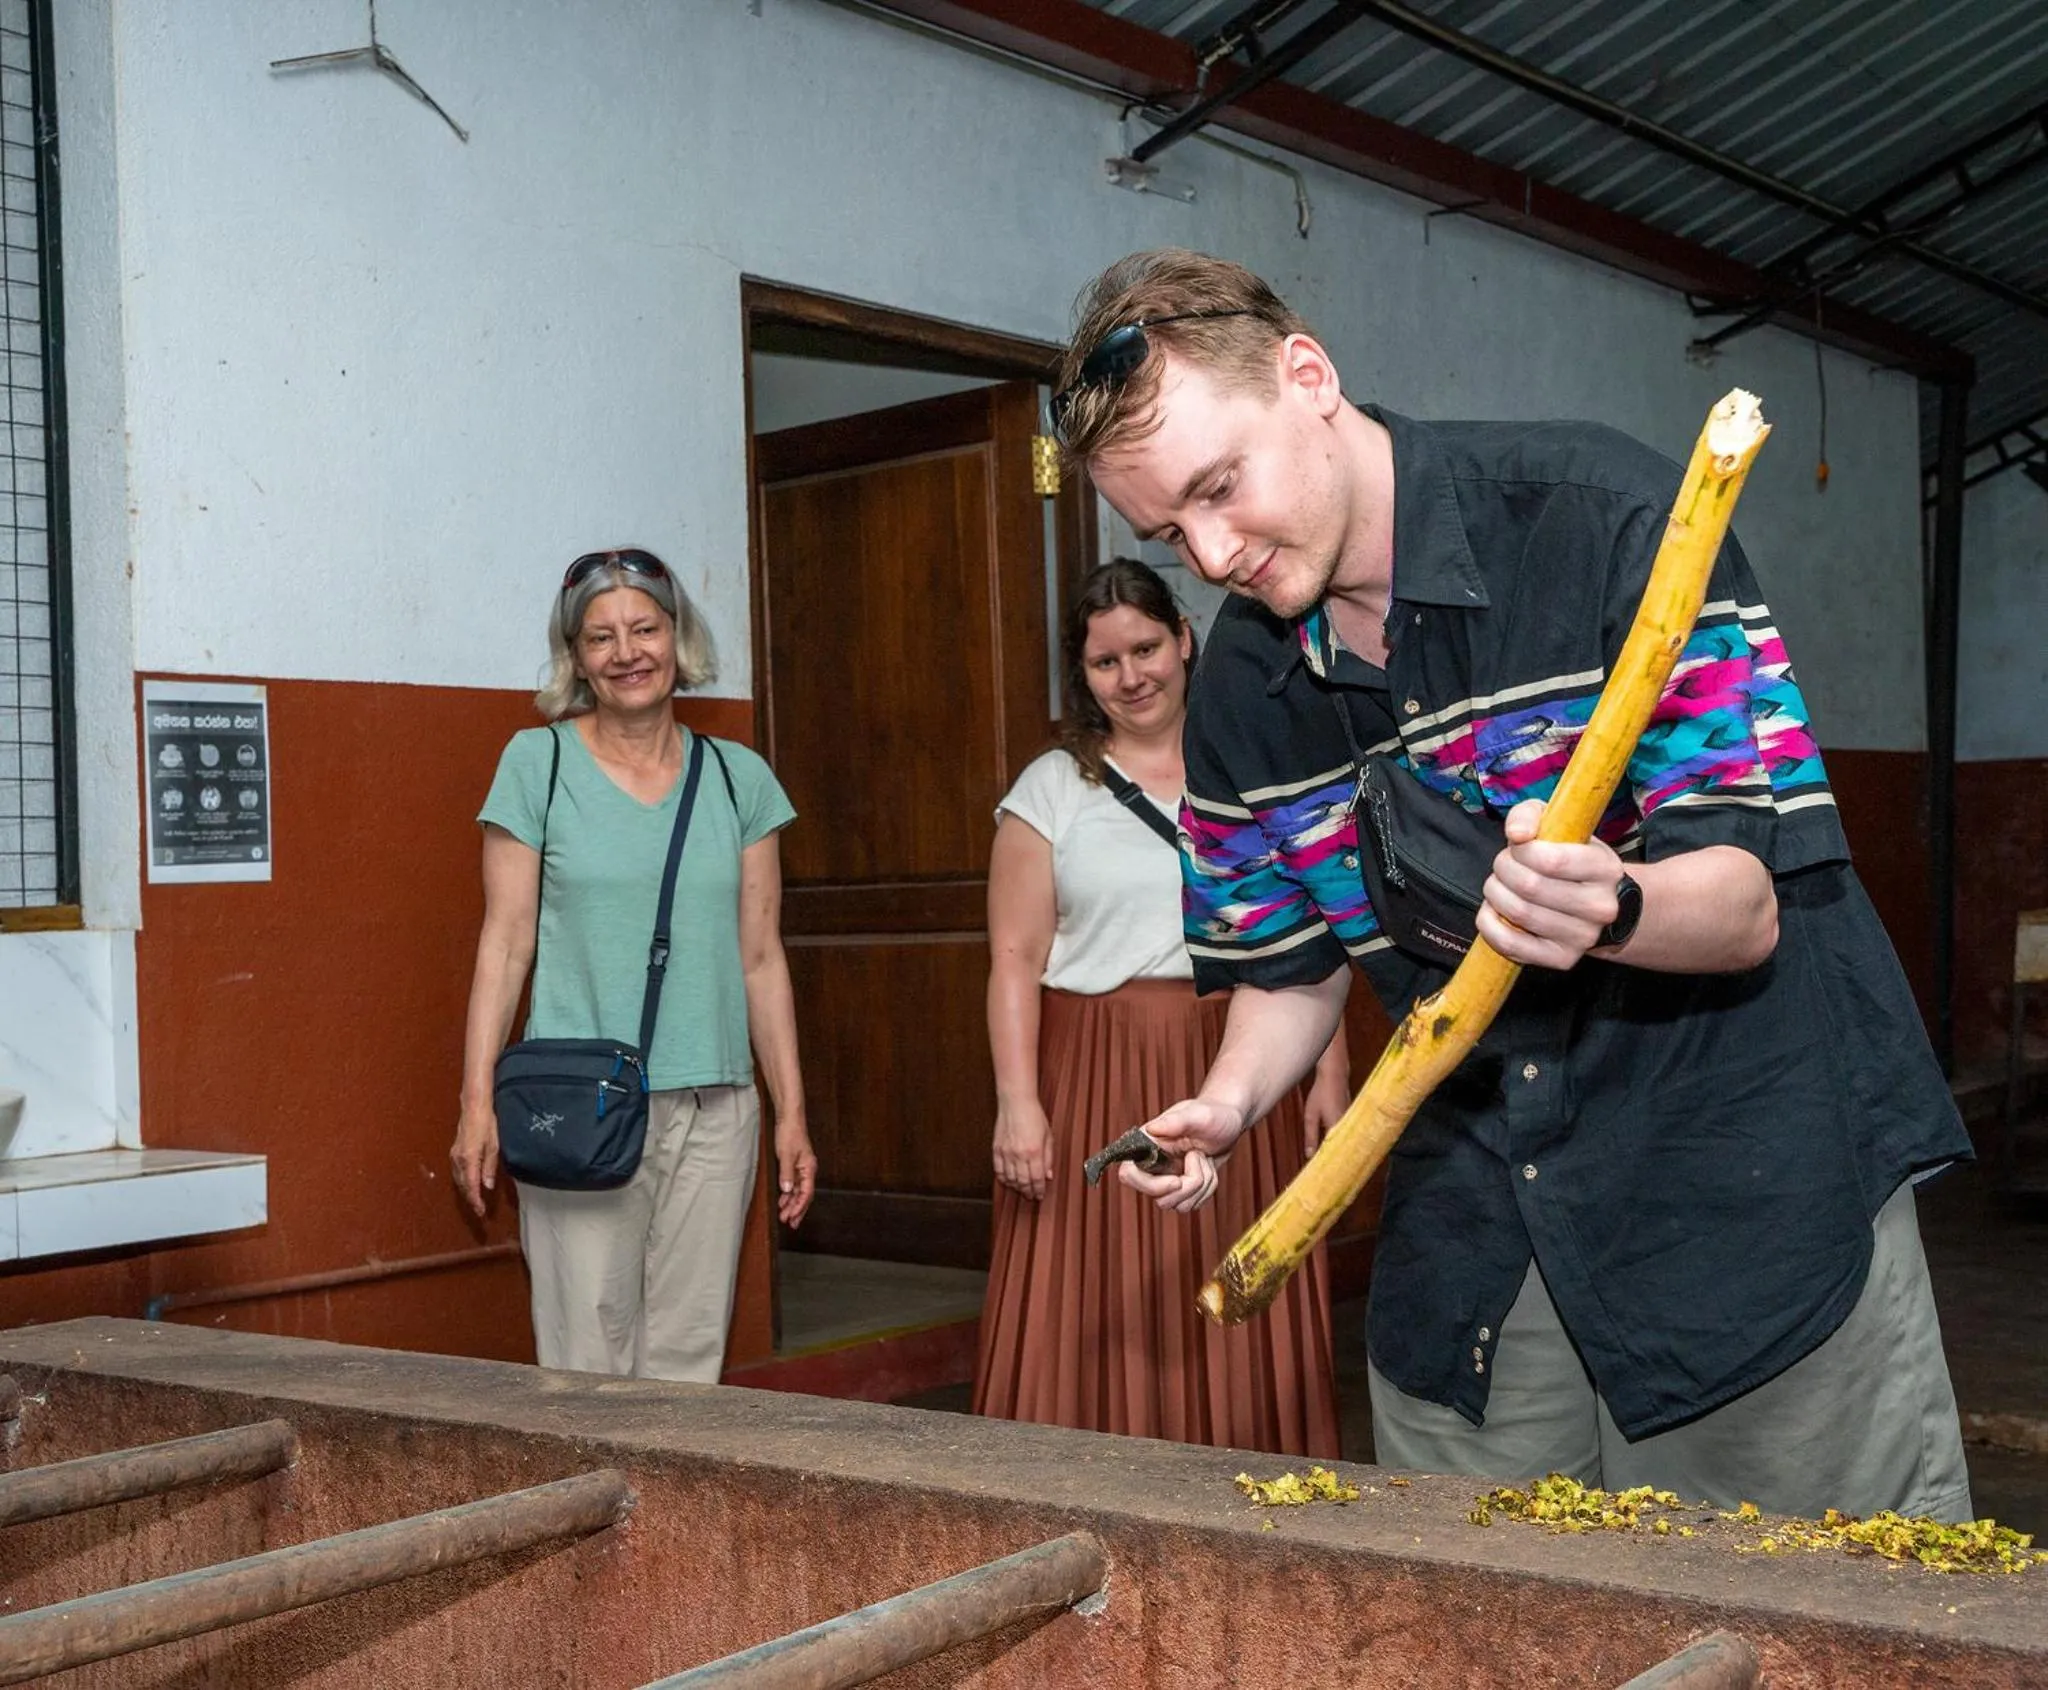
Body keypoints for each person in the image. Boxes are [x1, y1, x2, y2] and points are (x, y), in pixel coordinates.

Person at [1050, 249, 1976, 1520]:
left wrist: (1611, 908)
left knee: (1799, 1602)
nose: (1209, 555)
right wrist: (1228, 1098)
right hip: (1478, 1224)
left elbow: (1744, 903)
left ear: (1306, 376)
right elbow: (1293, 969)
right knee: (1487, 1593)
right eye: (1167, 533)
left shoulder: (1603, 521)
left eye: (1219, 488)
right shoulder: (1243, 696)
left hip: (1738, 1183)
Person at [972, 556, 1345, 1455]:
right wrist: (1019, 1103)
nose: (1131, 676)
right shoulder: (1050, 791)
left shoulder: (1251, 763)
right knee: (1092, 1284)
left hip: (1241, 1057)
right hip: (1092, 1070)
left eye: (1145, 649)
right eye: (1106, 661)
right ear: (1082, 673)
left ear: (1184, 640)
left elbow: (1317, 932)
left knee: (1238, 1263)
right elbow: (1014, 961)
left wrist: (1328, 1073)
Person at [451, 547, 818, 1382]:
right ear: (576, 658)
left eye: (645, 629)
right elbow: (504, 944)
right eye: (601, 637)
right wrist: (476, 1104)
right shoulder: (537, 765)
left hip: (717, 1107)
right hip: (578, 1106)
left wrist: (790, 1112)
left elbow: (762, 958)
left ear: (677, 638)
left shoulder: (739, 779)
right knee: (586, 1360)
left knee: (689, 1360)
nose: (627, 653)